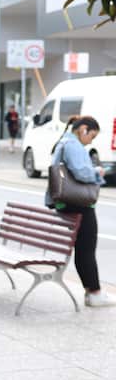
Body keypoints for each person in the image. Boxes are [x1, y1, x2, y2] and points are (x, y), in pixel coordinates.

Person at [50, 115, 111, 308]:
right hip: (80, 204)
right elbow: (81, 172)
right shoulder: (73, 145)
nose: (90, 141)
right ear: (83, 129)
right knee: (86, 249)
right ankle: (94, 293)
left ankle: (90, 290)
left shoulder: (63, 142)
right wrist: (97, 171)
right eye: (91, 136)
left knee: (82, 249)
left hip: (66, 203)